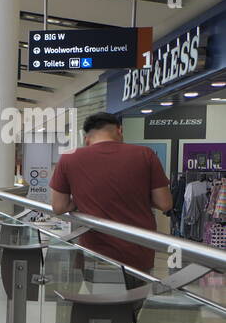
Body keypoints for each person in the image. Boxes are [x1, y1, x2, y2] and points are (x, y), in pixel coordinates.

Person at [48, 112, 172, 279]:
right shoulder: (145, 154)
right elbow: (165, 203)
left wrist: (81, 200)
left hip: (94, 250)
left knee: (98, 301)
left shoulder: (69, 158)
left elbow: (59, 206)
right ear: (119, 130)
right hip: (138, 250)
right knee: (134, 301)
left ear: (86, 137)